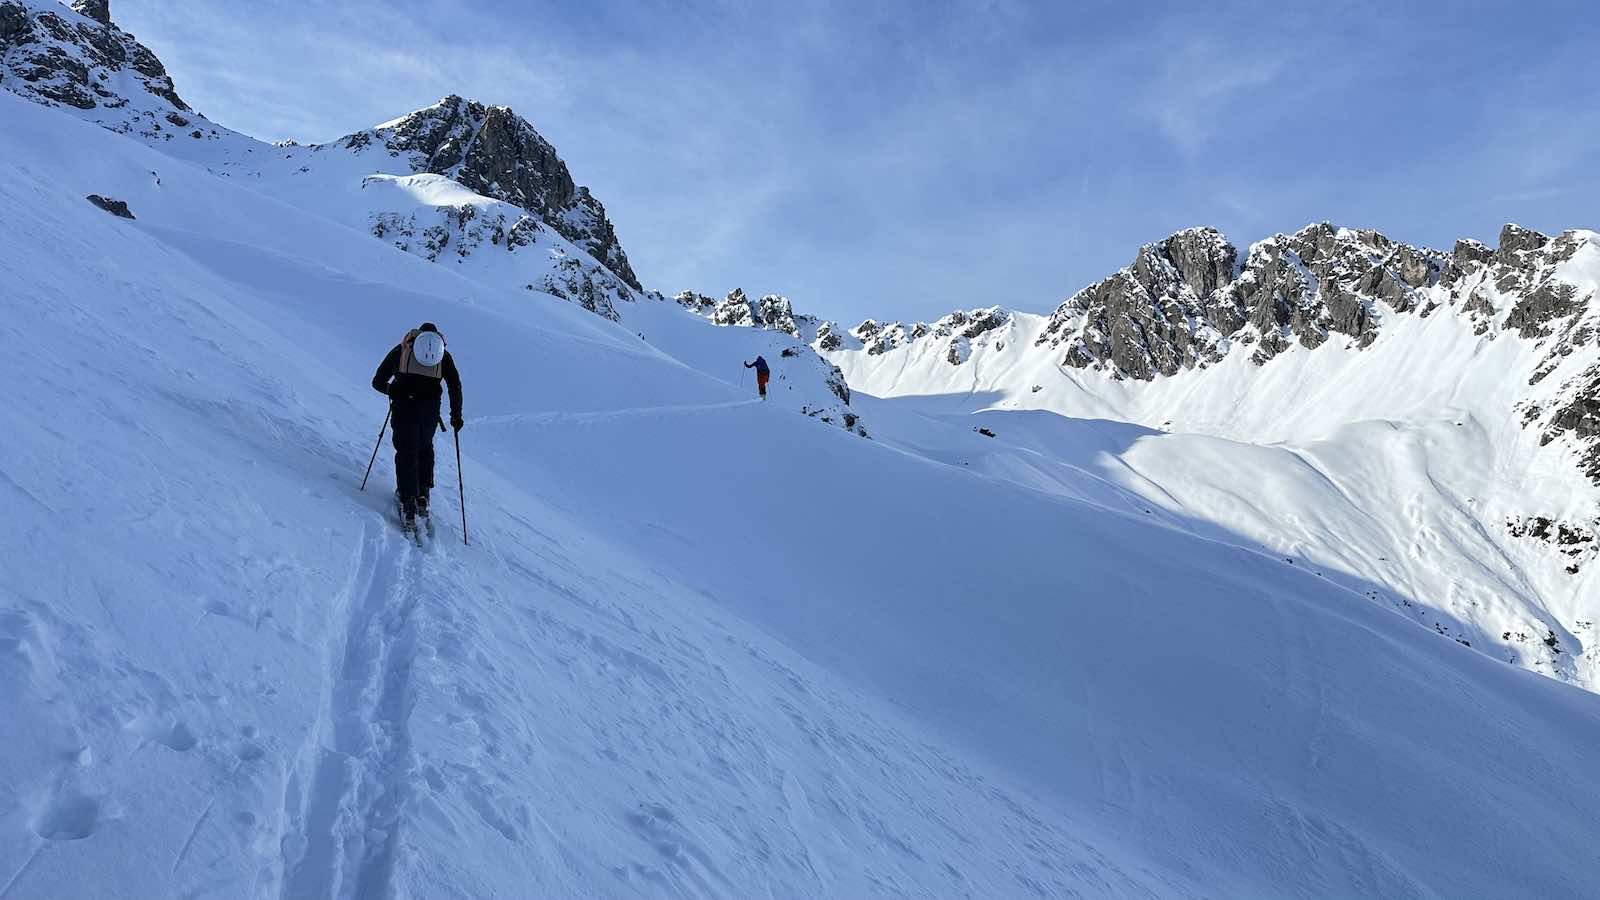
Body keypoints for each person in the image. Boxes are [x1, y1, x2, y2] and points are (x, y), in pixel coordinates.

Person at [372, 323, 463, 530]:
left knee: (406, 452)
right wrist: (456, 416)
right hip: (429, 413)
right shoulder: (443, 356)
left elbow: (377, 382)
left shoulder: (402, 349)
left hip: (404, 408)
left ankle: (407, 502)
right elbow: (454, 385)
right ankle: (422, 495)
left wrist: (393, 391)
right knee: (424, 448)